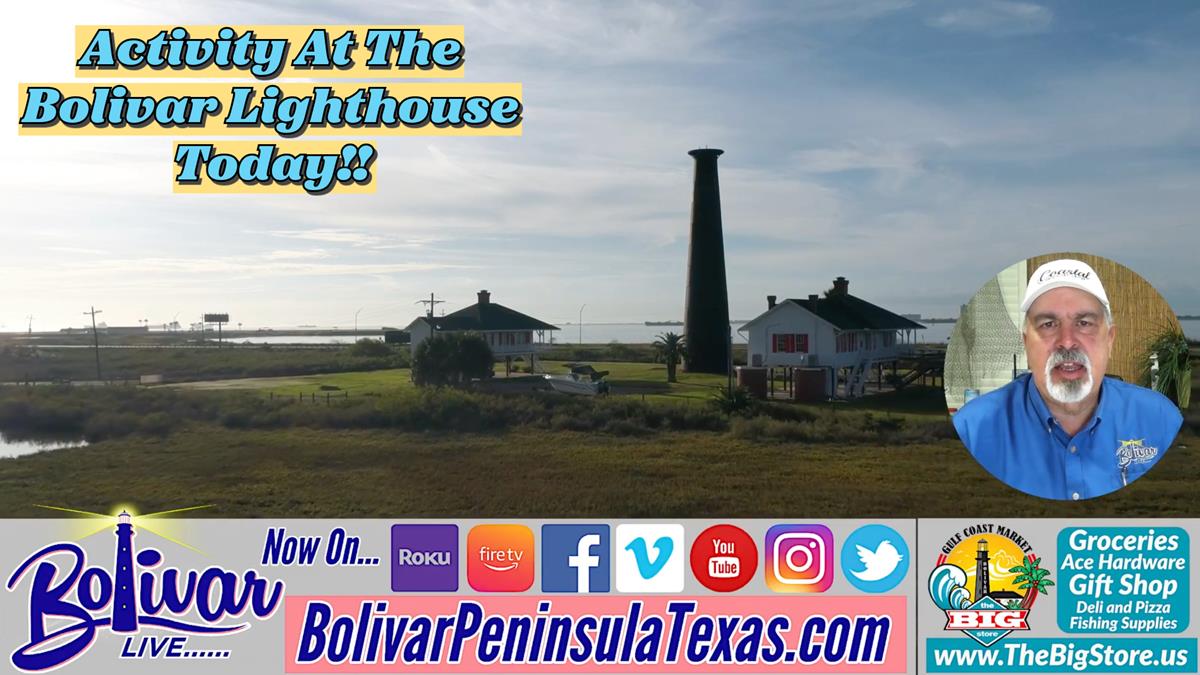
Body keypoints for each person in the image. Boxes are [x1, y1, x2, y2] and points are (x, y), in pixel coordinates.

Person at [953, 259, 1184, 500]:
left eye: (1084, 323)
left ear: (1110, 340)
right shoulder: (972, 429)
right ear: (1025, 343)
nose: (1067, 341)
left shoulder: (1161, 419)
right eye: (1048, 324)